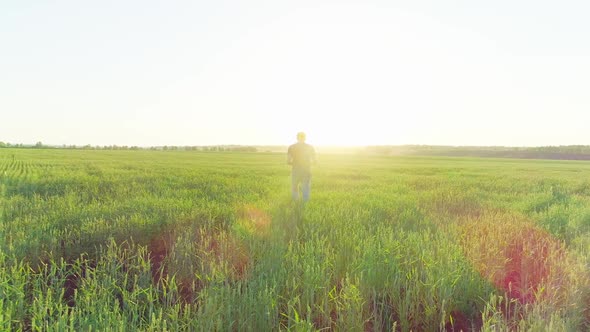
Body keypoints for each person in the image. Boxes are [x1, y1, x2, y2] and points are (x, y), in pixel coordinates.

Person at [287, 132, 316, 202]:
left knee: (294, 187)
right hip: (306, 170)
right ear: (305, 138)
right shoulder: (310, 147)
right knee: (306, 187)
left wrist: (293, 163)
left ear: (297, 138)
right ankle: (305, 204)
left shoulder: (291, 147)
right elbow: (315, 161)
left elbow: (288, 161)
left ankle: (295, 202)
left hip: (295, 169)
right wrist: (309, 164)